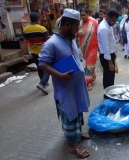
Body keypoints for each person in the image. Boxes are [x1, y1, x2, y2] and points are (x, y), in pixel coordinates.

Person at [38, 9, 90, 158]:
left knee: (78, 110)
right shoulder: (51, 43)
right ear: (67, 24)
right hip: (65, 87)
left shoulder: (70, 39)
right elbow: (42, 63)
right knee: (69, 113)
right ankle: (73, 145)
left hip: (77, 86)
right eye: (75, 26)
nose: (77, 29)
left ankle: (77, 132)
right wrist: (60, 75)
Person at [22, 12, 50, 95]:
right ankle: (42, 83)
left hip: (34, 52)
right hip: (44, 52)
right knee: (49, 67)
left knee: (40, 67)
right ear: (38, 20)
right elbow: (48, 40)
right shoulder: (42, 28)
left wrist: (25, 53)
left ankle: (43, 82)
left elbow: (25, 42)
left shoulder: (26, 29)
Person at [97, 9, 119, 97]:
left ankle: (109, 93)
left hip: (110, 55)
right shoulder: (104, 28)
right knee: (108, 76)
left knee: (110, 76)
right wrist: (110, 62)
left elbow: (111, 41)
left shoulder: (108, 25)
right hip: (107, 56)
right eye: (113, 20)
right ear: (107, 17)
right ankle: (107, 95)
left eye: (115, 21)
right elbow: (105, 47)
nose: (114, 23)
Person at [77, 8, 98, 91]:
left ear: (88, 14)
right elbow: (77, 35)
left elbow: (98, 34)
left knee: (90, 63)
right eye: (81, 15)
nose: (82, 17)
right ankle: (92, 75)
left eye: (84, 15)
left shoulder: (94, 22)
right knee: (88, 64)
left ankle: (89, 82)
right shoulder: (79, 24)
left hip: (93, 46)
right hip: (84, 47)